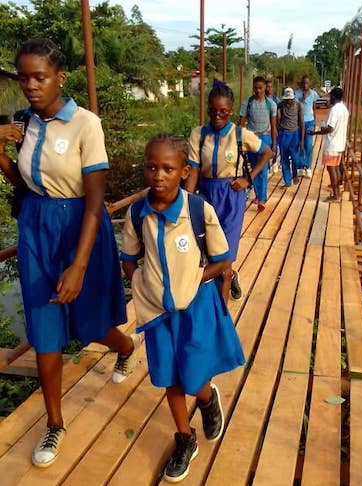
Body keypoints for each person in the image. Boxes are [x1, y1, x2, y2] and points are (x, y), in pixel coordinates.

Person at [0, 38, 139, 468]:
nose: (30, 85)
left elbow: (95, 203)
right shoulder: (25, 123)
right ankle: (55, 423)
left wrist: (78, 265)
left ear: (60, 78)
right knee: (44, 326)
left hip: (81, 227)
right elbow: (24, 185)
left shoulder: (85, 124)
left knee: (89, 321)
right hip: (36, 228)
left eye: (39, 77)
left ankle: (125, 347)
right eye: (24, 77)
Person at [121, 133, 245, 483]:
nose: (158, 175)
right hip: (158, 312)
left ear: (184, 171)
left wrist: (190, 282)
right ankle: (184, 437)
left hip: (195, 307)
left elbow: (222, 260)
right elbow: (129, 258)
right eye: (151, 167)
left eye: (168, 169)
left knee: (193, 372)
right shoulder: (137, 213)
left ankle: (206, 399)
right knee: (169, 376)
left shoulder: (198, 211)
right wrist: (143, 283)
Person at [185, 82, 273, 302]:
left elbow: (267, 153)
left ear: (231, 110)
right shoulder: (198, 135)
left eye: (223, 111)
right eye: (213, 111)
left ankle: (222, 307)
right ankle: (229, 277)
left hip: (231, 197)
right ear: (208, 109)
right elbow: (193, 170)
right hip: (206, 195)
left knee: (225, 253)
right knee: (207, 248)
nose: (218, 116)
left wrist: (247, 179)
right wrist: (185, 201)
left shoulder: (240, 134)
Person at [239, 76, 277, 212]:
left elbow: (273, 125)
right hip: (251, 138)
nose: (258, 91)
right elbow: (241, 123)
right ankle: (258, 194)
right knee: (254, 168)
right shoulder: (247, 103)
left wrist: (274, 144)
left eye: (260, 88)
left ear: (265, 88)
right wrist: (239, 141)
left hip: (265, 137)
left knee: (263, 169)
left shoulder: (271, 104)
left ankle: (262, 199)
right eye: (255, 88)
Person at [309, 86, 349, 202]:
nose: (329, 99)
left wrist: (316, 132)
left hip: (332, 144)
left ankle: (336, 196)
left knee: (331, 169)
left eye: (330, 96)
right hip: (340, 143)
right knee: (335, 168)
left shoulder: (334, 110)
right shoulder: (344, 109)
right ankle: (337, 193)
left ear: (334, 97)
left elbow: (330, 129)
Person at [276, 87, 304, 188]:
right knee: (284, 159)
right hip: (283, 134)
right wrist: (279, 127)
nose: (289, 101)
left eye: (291, 99)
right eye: (287, 99)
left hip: (294, 134)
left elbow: (301, 123)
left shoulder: (298, 105)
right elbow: (277, 118)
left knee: (295, 158)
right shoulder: (281, 105)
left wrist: (301, 140)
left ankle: (295, 174)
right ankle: (287, 181)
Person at [294, 75, 319, 178]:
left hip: (309, 122)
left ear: (310, 84)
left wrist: (315, 122)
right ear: (301, 83)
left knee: (308, 144)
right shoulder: (297, 94)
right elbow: (295, 106)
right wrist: (302, 98)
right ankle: (300, 166)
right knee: (300, 144)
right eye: (303, 83)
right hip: (299, 122)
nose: (305, 85)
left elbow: (314, 107)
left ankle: (308, 167)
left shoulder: (313, 94)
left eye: (307, 83)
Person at [265, 79, 281, 174]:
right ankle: (266, 166)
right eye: (267, 87)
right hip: (265, 128)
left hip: (274, 126)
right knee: (266, 147)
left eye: (271, 87)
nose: (269, 89)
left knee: (275, 145)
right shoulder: (262, 99)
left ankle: (274, 162)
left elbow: (279, 113)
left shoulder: (276, 99)